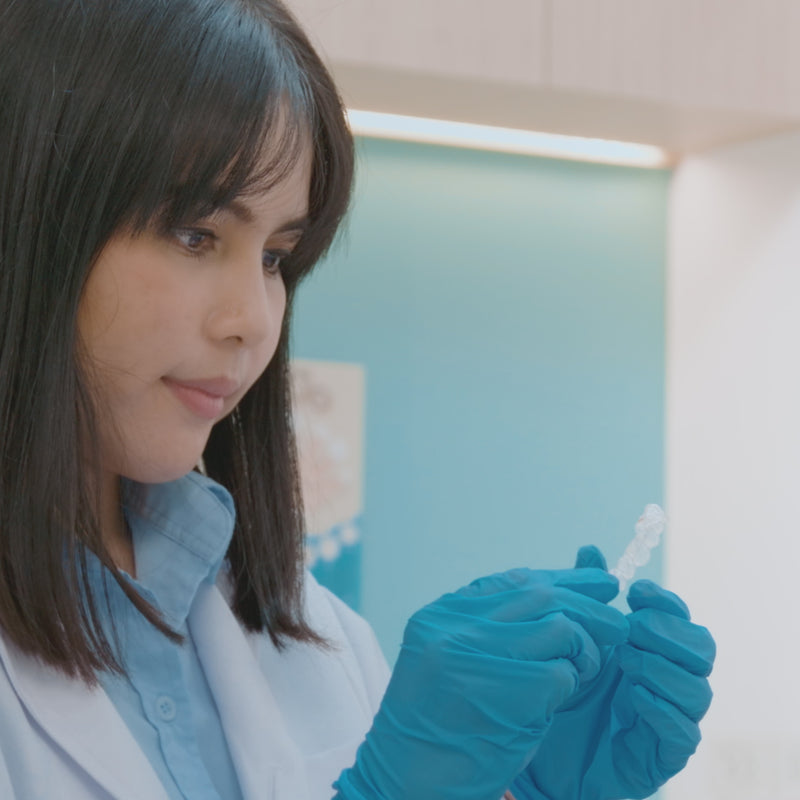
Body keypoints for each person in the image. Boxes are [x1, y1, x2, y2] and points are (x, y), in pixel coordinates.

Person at [0, 1, 715, 798]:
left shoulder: (312, 638)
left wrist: (521, 790)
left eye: (276, 257)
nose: (251, 322)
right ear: (31, 220)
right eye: (196, 234)